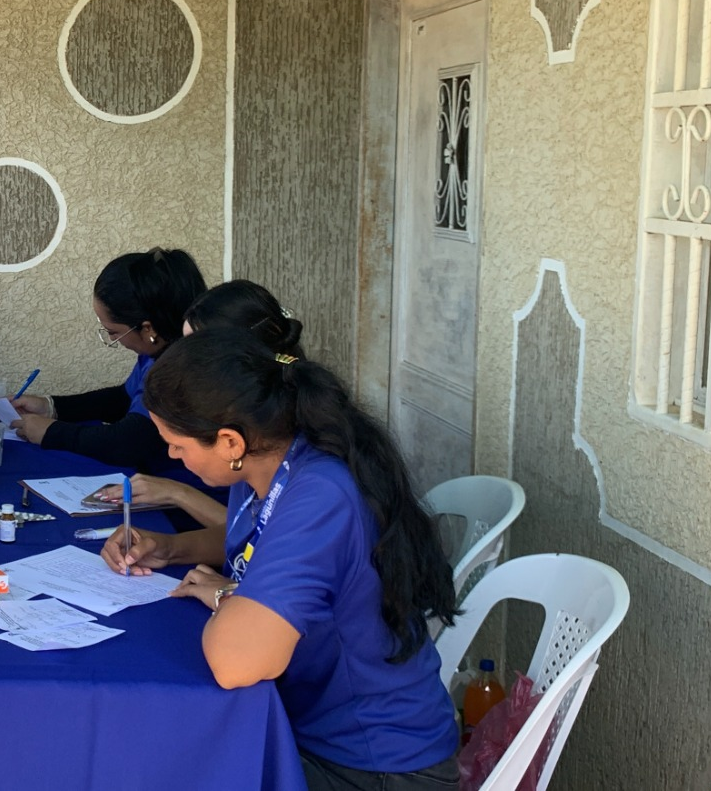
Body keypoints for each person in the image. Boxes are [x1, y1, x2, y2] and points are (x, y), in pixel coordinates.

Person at [103, 329, 460, 790]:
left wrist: (230, 599)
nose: (171, 455)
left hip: (374, 765)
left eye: (177, 445)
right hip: (314, 729)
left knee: (159, 767)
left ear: (230, 442)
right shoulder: (266, 464)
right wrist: (169, 547)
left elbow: (237, 662)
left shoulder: (320, 494)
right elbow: (257, 544)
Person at [93, 279, 305, 530]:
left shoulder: (288, 455)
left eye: (196, 350)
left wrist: (178, 494)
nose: (184, 360)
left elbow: (258, 536)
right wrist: (169, 548)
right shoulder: (245, 424)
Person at [10, 247, 206, 474]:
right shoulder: (155, 352)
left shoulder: (181, 370)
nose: (115, 340)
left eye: (113, 333)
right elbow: (124, 398)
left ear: (147, 328)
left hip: (183, 490)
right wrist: (52, 406)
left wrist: (53, 432)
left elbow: (128, 442)